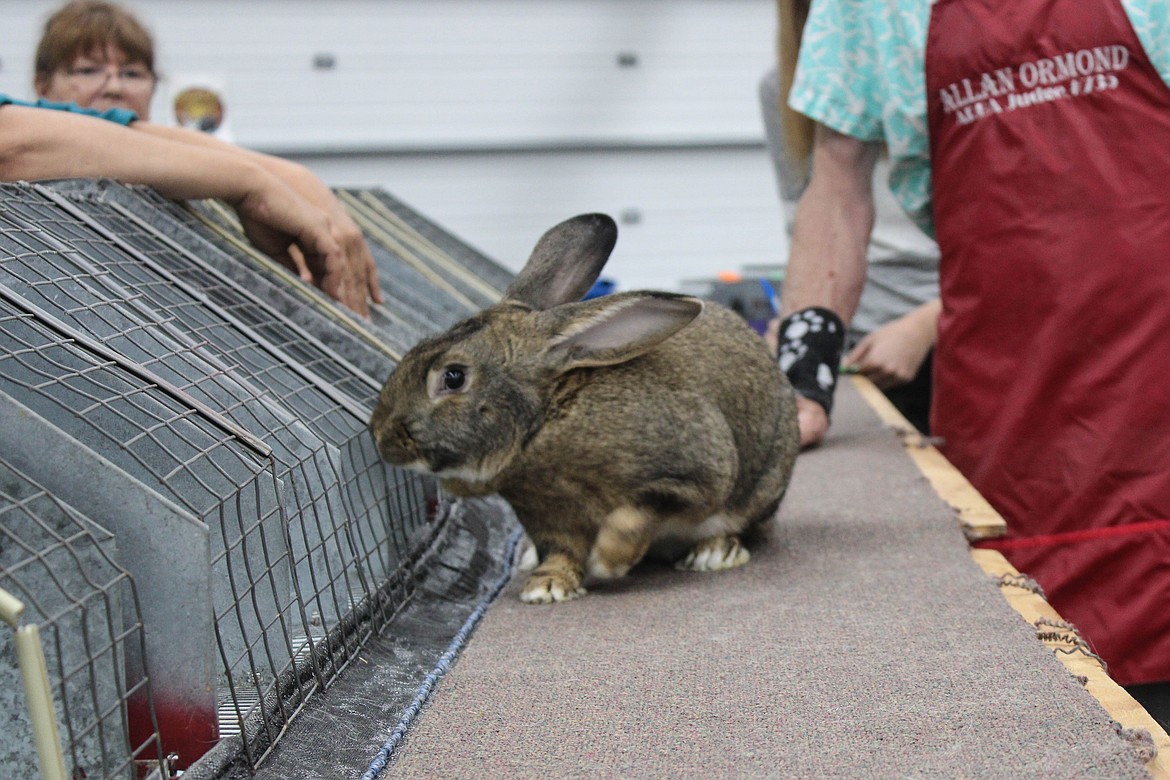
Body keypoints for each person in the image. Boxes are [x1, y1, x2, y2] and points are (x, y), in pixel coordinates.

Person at [774, 0, 1170, 725]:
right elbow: (835, 186)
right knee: (1044, 712)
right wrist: (804, 376)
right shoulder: (868, 7)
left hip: (1157, 374)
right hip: (1013, 421)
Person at [13, 0, 382, 317]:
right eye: (88, 70)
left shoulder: (195, 184)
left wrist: (281, 176)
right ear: (41, 89)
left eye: (131, 73)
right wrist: (259, 179)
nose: (114, 86)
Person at [760, 55, 939, 434]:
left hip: (948, 330)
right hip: (856, 345)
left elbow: (1021, 241)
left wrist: (929, 324)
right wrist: (800, 325)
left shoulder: (937, 54)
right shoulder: (782, 85)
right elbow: (815, 218)